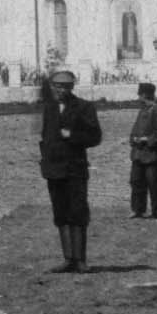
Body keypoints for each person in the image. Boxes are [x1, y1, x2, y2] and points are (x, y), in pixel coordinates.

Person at [35, 68, 104, 273]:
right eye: (56, 86)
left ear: (71, 87)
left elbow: (95, 137)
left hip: (75, 169)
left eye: (64, 86)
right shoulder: (49, 108)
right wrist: (45, 159)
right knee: (61, 213)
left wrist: (71, 135)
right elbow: (46, 137)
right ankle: (68, 260)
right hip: (54, 170)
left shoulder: (84, 107)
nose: (59, 90)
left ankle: (80, 260)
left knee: (78, 213)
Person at [126, 81, 157, 220]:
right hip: (138, 153)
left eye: (140, 95)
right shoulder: (142, 110)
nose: (138, 98)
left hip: (152, 154)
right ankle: (137, 209)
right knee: (136, 181)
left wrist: (146, 140)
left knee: (153, 183)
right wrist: (133, 139)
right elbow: (134, 130)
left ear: (144, 95)